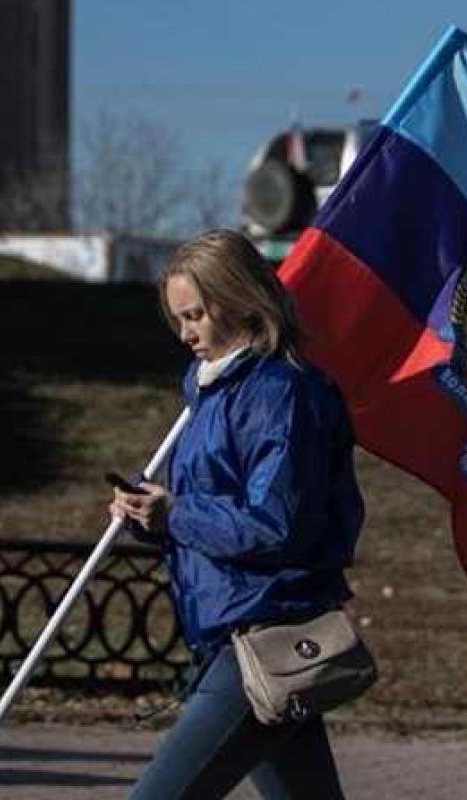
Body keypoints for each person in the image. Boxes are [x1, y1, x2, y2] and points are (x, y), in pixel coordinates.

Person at [110, 229, 365, 799]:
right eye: (179, 317)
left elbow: (276, 526)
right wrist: (150, 517)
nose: (185, 333)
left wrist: (174, 515)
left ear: (238, 299)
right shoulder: (212, 395)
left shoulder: (282, 394)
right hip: (232, 633)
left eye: (196, 314)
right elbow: (215, 522)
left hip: (261, 632)